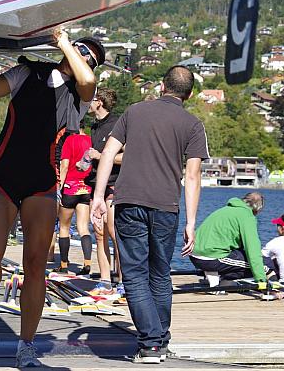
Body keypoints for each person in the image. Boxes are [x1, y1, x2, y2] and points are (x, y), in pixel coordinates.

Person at [0, 28, 103, 367]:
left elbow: (88, 79)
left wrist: (63, 40)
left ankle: (26, 345)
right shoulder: (27, 72)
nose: (83, 57)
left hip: (41, 183)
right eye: (81, 50)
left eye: (89, 57)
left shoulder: (80, 96)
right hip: (2, 176)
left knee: (34, 265)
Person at [91, 65, 209, 364]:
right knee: (160, 274)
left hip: (129, 202)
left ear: (161, 86)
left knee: (134, 275)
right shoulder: (193, 124)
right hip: (166, 207)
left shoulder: (134, 112)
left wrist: (97, 197)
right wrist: (192, 223)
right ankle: (160, 340)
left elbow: (107, 153)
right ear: (190, 94)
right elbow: (192, 177)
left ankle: (151, 344)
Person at [85, 88, 125, 299]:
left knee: (115, 234)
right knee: (99, 235)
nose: (87, 103)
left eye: (91, 100)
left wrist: (101, 156)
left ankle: (122, 281)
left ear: (99, 102)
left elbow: (127, 156)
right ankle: (104, 281)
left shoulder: (118, 123)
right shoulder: (95, 125)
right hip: (95, 186)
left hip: (114, 186)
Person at [190, 193, 275, 287]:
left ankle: (220, 279)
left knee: (241, 256)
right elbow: (253, 251)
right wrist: (261, 280)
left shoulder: (225, 210)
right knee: (266, 264)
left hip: (194, 255)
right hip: (210, 258)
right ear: (257, 209)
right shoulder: (247, 216)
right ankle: (274, 288)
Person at [54, 121, 93, 275]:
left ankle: (63, 265)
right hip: (86, 188)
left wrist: (60, 187)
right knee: (83, 227)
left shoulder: (69, 140)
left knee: (64, 227)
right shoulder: (90, 140)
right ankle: (87, 263)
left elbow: (64, 165)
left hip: (70, 188)